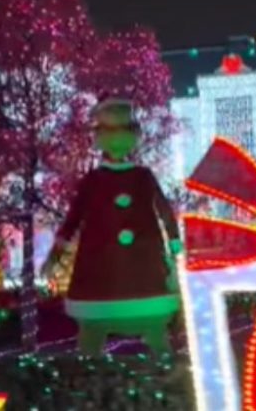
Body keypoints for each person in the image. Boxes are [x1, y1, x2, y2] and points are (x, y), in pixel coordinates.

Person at [44, 99, 182, 355]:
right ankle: (95, 373)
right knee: (94, 334)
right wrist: (55, 254)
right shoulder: (94, 180)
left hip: (142, 272)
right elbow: (73, 219)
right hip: (103, 273)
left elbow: (165, 213)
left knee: (153, 330)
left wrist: (176, 248)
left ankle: (160, 368)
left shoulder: (142, 176)